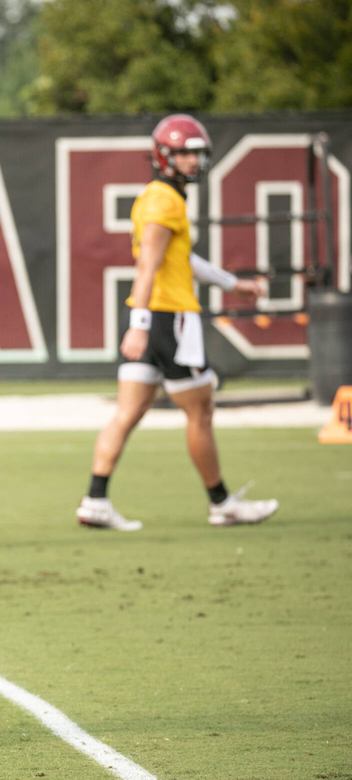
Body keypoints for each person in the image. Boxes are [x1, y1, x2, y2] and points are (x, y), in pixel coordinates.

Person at [76, 114, 279, 530]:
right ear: (163, 156)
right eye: (184, 153)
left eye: (196, 153)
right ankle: (221, 503)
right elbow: (149, 263)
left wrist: (231, 284)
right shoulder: (164, 200)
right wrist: (141, 323)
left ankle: (95, 499)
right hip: (167, 318)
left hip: (149, 314)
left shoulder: (158, 197)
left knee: (129, 411)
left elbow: (178, 258)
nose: (192, 161)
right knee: (201, 412)